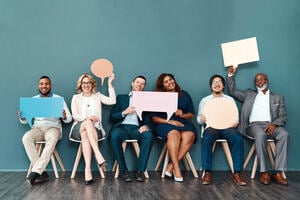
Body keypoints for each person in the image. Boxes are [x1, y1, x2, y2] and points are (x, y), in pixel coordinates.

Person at [227, 66, 289, 185]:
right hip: (254, 126)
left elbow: (283, 116)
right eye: (257, 80)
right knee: (260, 134)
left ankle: (277, 172)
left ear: (267, 81)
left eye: (262, 79)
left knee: (284, 134)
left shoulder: (278, 97)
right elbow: (232, 91)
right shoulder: (249, 94)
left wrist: (274, 124)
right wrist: (230, 75)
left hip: (272, 125)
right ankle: (264, 172)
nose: (259, 82)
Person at [19, 75, 72, 185]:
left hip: (53, 127)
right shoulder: (34, 100)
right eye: (42, 84)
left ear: (50, 85)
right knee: (26, 137)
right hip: (37, 127)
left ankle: (36, 171)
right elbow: (25, 121)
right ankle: (41, 171)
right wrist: (23, 117)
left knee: (52, 139)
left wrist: (64, 116)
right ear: (39, 86)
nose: (44, 86)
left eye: (46, 84)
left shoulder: (58, 99)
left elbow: (69, 119)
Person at [197, 74, 247, 186]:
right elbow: (198, 118)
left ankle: (237, 173)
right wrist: (201, 119)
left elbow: (235, 116)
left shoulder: (229, 100)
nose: (217, 84)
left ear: (223, 85)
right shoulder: (205, 100)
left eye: (219, 82)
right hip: (211, 127)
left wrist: (235, 122)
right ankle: (207, 172)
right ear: (211, 86)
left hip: (227, 128)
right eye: (214, 82)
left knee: (238, 138)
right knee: (207, 137)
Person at [69, 73, 116, 185]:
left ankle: (88, 171)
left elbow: (112, 101)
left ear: (92, 84)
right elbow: (75, 115)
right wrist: (88, 119)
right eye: (84, 83)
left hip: (96, 130)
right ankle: (98, 154)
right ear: (80, 85)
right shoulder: (76, 98)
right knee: (87, 123)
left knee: (86, 135)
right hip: (78, 128)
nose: (86, 85)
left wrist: (110, 83)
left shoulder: (97, 96)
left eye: (88, 82)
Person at [151, 73, 196, 182]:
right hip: (163, 123)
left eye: (170, 79)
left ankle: (170, 167)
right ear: (163, 86)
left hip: (182, 122)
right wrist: (170, 122)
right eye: (166, 82)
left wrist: (182, 114)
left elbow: (191, 114)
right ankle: (176, 168)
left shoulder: (184, 94)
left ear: (174, 80)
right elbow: (154, 118)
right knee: (174, 133)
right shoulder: (158, 97)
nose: (169, 82)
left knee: (190, 134)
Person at [109, 75, 153, 182]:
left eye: (142, 84)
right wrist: (124, 112)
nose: (140, 85)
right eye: (138, 82)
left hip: (137, 129)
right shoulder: (121, 98)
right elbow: (112, 117)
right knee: (114, 136)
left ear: (144, 87)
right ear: (132, 83)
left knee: (149, 136)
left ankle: (140, 171)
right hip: (122, 128)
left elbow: (149, 120)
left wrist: (146, 126)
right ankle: (124, 171)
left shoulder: (146, 100)